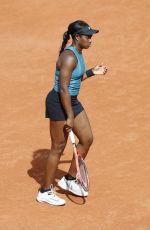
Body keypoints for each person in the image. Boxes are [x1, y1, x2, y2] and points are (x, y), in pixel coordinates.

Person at [36, 20, 107, 206]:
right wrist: (68, 116)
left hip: (71, 101)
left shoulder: (78, 53)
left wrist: (92, 72)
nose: (91, 40)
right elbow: (63, 89)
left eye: (91, 36)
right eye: (88, 36)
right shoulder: (69, 57)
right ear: (77, 37)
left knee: (87, 139)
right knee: (58, 147)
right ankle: (44, 191)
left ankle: (69, 179)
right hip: (59, 102)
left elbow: (75, 79)